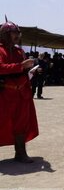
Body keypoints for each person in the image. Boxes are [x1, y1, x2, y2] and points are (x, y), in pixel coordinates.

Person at [0, 20, 39, 163]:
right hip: (5, 94)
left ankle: (21, 153)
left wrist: (31, 70)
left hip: (21, 94)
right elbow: (1, 68)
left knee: (20, 124)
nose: (17, 35)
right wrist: (20, 66)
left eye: (18, 33)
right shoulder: (0, 50)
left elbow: (23, 69)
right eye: (14, 33)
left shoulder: (19, 51)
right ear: (5, 34)